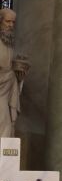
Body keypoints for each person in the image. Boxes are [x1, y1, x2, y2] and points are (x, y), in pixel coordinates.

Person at [0, 8, 27, 138]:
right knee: (4, 123)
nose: (11, 25)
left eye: (13, 22)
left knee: (8, 125)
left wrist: (18, 76)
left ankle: (4, 158)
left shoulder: (9, 43)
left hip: (7, 92)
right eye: (8, 21)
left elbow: (10, 69)